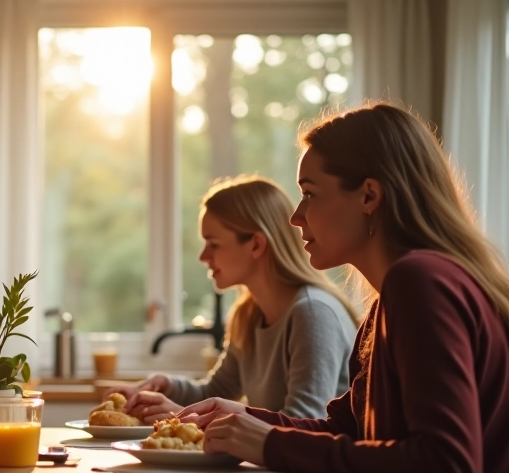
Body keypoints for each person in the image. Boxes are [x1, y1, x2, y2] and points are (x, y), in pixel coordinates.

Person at [178, 103, 509, 473]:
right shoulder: (394, 296)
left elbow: (447, 472)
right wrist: (248, 418)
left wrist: (270, 443)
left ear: (369, 195)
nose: (296, 217)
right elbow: (347, 430)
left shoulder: (420, 283)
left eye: (310, 194)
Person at [111, 176, 358, 422]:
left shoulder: (313, 313)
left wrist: (179, 417)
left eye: (213, 244)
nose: (203, 256)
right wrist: (166, 387)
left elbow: (303, 423)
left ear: (256, 245)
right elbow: (214, 393)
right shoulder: (247, 314)